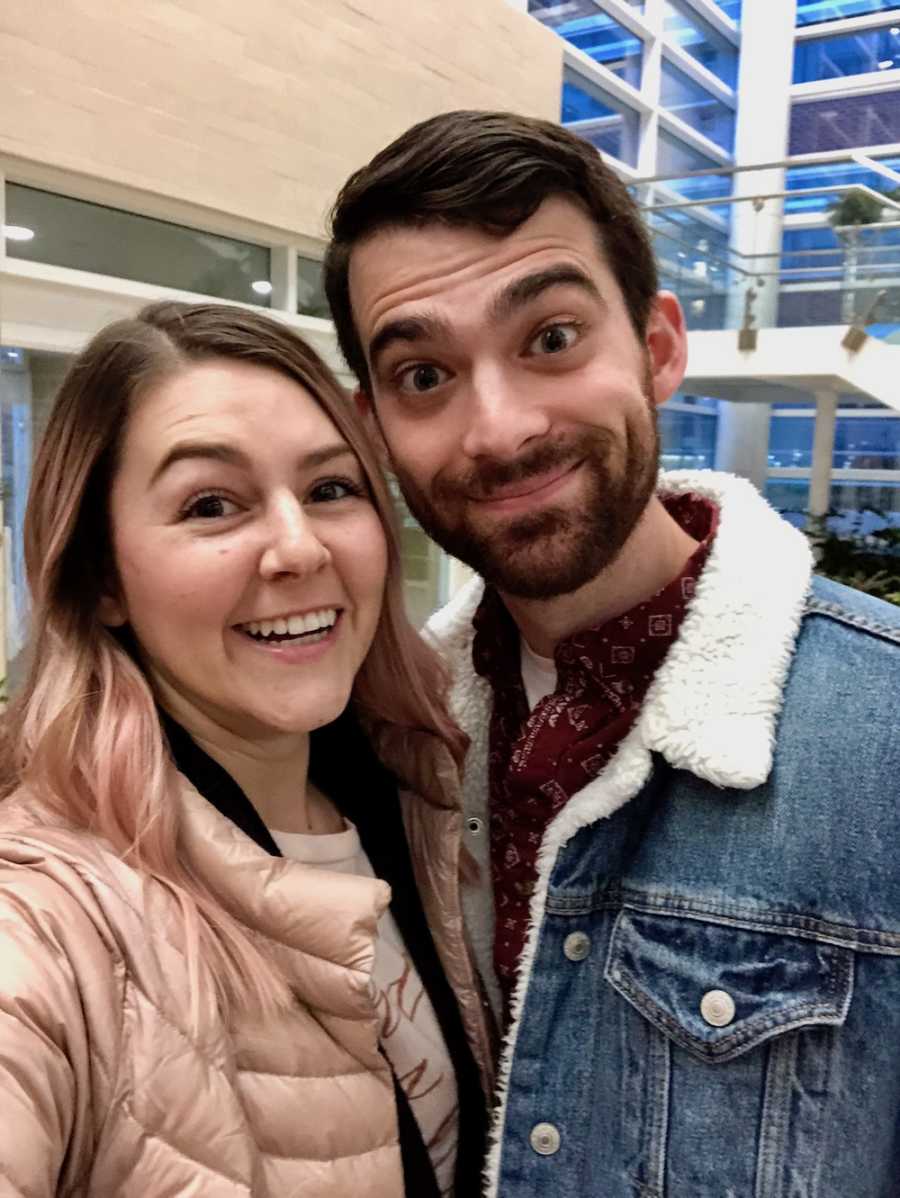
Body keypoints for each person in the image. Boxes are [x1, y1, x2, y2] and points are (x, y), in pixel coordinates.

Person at [323, 110, 900, 1198]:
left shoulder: (886, 730)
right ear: (375, 426)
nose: (498, 428)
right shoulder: (378, 740)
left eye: (549, 338)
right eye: (425, 376)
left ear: (658, 346)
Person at [0, 301, 492, 1197]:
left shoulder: (417, 795)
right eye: (212, 505)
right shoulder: (46, 914)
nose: (297, 548)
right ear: (101, 576)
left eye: (330, 489)